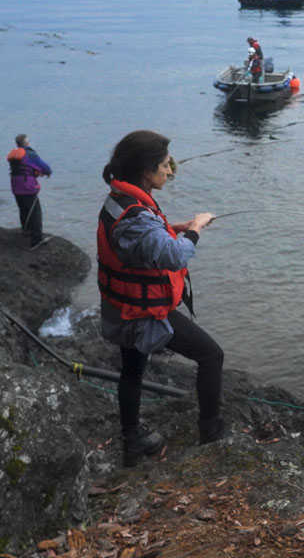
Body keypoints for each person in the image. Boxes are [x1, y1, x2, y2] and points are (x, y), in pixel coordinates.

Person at [97, 130, 226, 465]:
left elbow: (142, 242)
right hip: (142, 313)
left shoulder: (118, 199)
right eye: (166, 165)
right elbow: (173, 256)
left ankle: (132, 443)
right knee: (211, 356)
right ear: (146, 170)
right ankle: (212, 433)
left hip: (122, 307)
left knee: (132, 370)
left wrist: (176, 228)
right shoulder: (136, 216)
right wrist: (196, 228)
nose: (170, 171)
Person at [6, 134, 52, 248]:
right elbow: (46, 168)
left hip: (15, 185)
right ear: (26, 143)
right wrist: (45, 173)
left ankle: (26, 230)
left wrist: (35, 172)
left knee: (23, 209)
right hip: (27, 187)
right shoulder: (30, 154)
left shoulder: (15, 155)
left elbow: (24, 168)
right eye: (28, 141)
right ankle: (36, 240)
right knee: (35, 212)